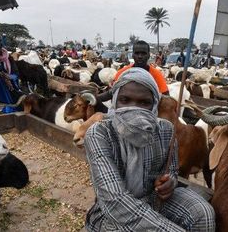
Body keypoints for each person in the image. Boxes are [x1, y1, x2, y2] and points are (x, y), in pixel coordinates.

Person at [84, 68, 216, 231]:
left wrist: (169, 183)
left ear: (154, 105)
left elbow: (172, 171)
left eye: (144, 103)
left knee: (203, 214)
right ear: (115, 101)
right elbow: (115, 201)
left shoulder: (165, 129)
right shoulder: (100, 133)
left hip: (154, 198)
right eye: (125, 100)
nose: (134, 108)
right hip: (113, 212)